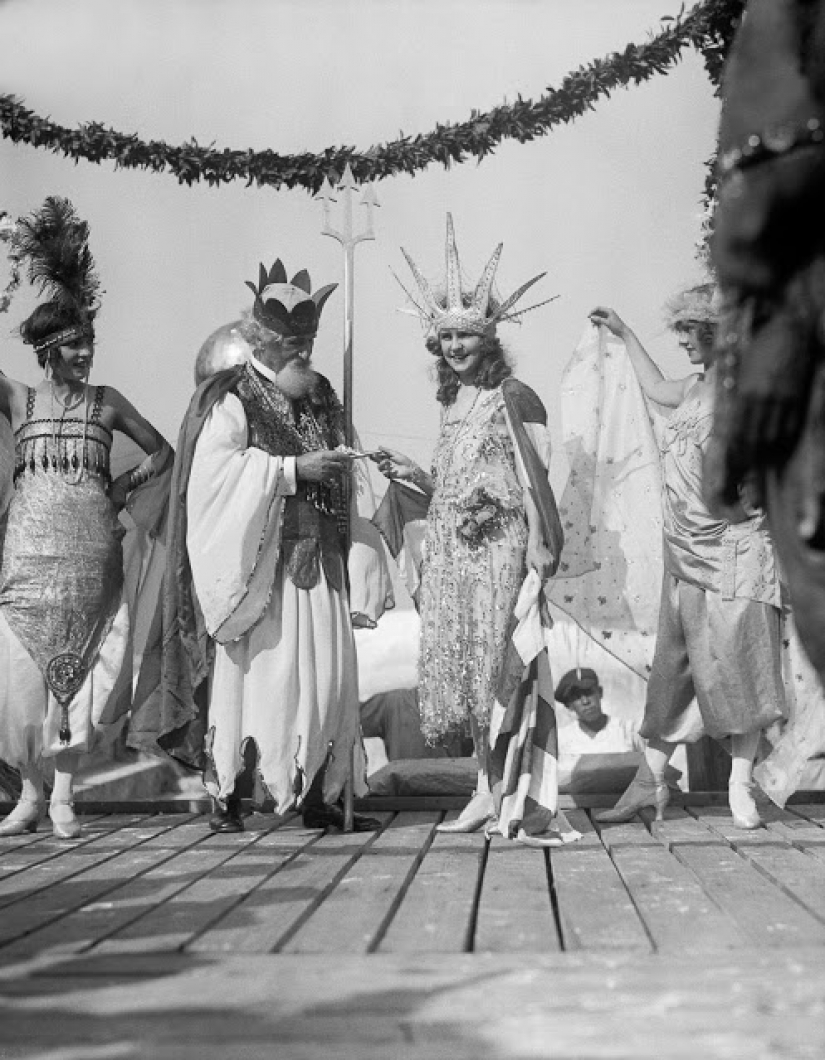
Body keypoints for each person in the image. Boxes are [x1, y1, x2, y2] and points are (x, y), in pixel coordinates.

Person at [375, 214, 577, 846]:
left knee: (496, 664)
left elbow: (535, 478)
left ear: (488, 339)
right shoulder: (449, 402)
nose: (455, 346)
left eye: (465, 335)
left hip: (499, 550)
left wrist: (538, 543)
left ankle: (506, 790)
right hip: (452, 553)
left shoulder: (515, 395)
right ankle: (482, 789)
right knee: (463, 670)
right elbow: (451, 485)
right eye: (446, 337)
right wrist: (413, 474)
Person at [159, 257, 378, 833]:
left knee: (325, 680)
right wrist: (292, 470)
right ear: (261, 339)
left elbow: (346, 462)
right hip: (260, 567)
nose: (302, 352)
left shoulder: (323, 393)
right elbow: (215, 476)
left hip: (322, 559)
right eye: (290, 343)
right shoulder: (233, 395)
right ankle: (231, 796)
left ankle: (320, 794)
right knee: (261, 680)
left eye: (308, 341)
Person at [0, 197, 171, 839]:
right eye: (75, 344)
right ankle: (29, 795)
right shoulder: (19, 398)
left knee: (76, 678)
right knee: (21, 681)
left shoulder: (108, 402)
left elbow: (162, 451)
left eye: (89, 343)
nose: (86, 353)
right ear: (48, 350)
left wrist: (123, 487)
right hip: (26, 560)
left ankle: (65, 796)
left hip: (90, 558)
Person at [589, 285, 785, 829]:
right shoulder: (695, 388)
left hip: (735, 551)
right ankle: (648, 783)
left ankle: (740, 785)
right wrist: (625, 333)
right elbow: (654, 388)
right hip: (684, 549)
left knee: (740, 666)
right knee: (675, 669)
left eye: (691, 332)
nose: (682, 342)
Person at [554, 668, 642, 755]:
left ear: (600, 692)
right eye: (577, 697)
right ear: (569, 705)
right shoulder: (561, 740)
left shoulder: (628, 730)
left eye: (588, 692)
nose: (585, 701)